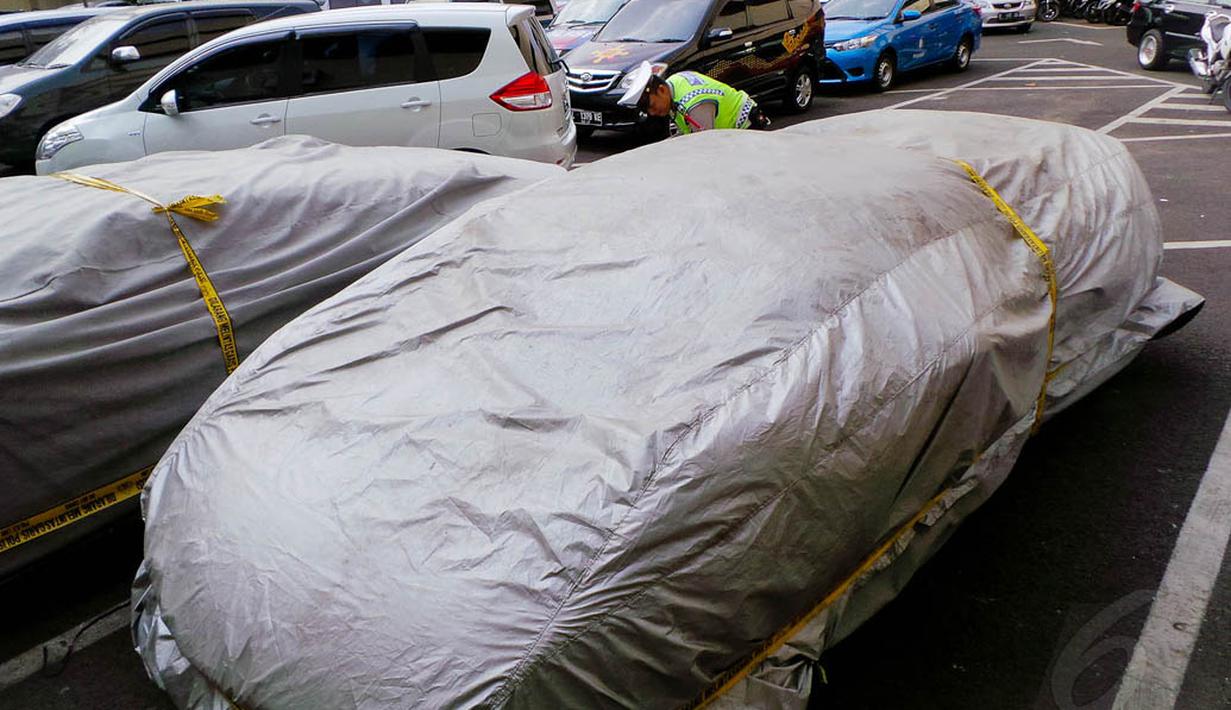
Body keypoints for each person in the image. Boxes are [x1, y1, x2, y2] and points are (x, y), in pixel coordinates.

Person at [616, 62, 772, 136]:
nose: (652, 112)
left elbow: (705, 148)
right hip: (732, 129)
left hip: (746, 129)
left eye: (650, 105)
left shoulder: (695, 104)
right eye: (646, 110)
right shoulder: (674, 82)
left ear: (661, 90)